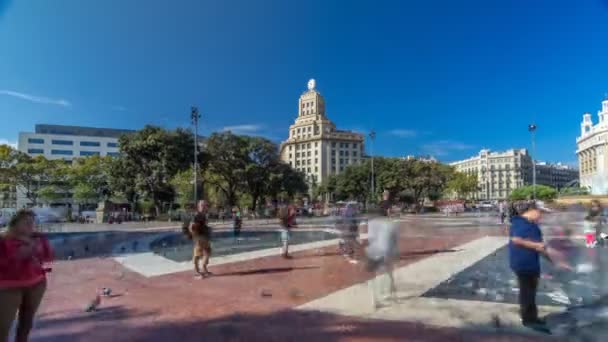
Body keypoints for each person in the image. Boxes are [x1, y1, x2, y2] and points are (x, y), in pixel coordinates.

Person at [0, 209, 53, 342]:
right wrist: (26, 248)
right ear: (14, 223)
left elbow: (49, 257)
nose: (31, 225)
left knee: (27, 323)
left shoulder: (38, 237)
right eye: (26, 222)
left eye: (32, 222)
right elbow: (8, 261)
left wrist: (40, 246)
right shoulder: (3, 240)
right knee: (3, 326)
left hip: (36, 284)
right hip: (9, 287)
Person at [509, 201, 561, 334]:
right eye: (540, 212)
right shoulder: (522, 222)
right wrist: (535, 246)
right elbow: (516, 240)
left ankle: (531, 317)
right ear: (532, 210)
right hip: (524, 264)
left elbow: (540, 247)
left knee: (529, 292)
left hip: (529, 263)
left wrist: (553, 260)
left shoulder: (527, 223)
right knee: (527, 293)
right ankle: (529, 320)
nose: (541, 216)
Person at [366, 202, 399, 309]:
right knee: (389, 272)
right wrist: (395, 252)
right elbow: (394, 240)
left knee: (372, 276)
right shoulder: (391, 223)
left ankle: (374, 300)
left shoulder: (371, 223)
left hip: (373, 251)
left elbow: (370, 238)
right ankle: (391, 293)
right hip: (386, 252)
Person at [189, 200, 212, 278]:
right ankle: (197, 271)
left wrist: (208, 228)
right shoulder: (197, 215)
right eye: (202, 205)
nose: (204, 207)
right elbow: (191, 226)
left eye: (205, 205)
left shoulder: (204, 215)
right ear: (199, 206)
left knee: (207, 251)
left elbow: (202, 225)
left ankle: (204, 268)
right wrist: (194, 235)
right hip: (199, 237)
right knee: (198, 253)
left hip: (204, 236)